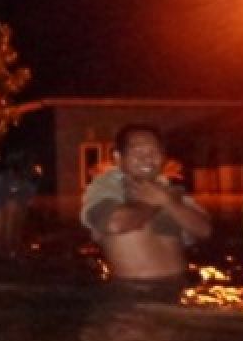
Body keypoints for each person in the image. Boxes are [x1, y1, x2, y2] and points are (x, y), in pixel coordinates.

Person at [81, 124, 211, 296]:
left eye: (154, 152)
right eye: (138, 152)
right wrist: (157, 202)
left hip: (180, 289)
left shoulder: (168, 190)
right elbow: (115, 224)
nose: (147, 159)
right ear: (118, 158)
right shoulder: (106, 186)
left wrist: (168, 202)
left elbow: (204, 230)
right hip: (132, 293)